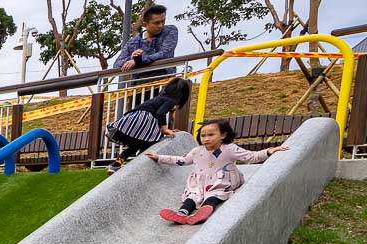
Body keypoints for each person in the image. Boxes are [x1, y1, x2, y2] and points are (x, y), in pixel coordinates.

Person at [147, 118, 289, 225]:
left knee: (214, 194)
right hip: (200, 181)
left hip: (221, 180)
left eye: (211, 135)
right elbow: (181, 160)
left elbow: (251, 156)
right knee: (193, 195)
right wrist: (159, 157)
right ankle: (182, 214)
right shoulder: (197, 151)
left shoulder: (229, 149)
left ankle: (205, 209)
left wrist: (270, 151)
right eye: (203, 135)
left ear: (222, 135)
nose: (206, 138)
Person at [104, 77, 192, 174]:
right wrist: (165, 129)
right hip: (144, 120)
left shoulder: (159, 98)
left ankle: (115, 165)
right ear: (182, 95)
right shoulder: (170, 101)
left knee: (136, 145)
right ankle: (140, 165)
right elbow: (160, 113)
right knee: (149, 144)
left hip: (133, 119)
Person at [112, 4, 179, 79]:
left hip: (165, 82)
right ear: (144, 24)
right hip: (140, 86)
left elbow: (165, 53)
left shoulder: (170, 31)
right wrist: (131, 58)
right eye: (156, 23)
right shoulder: (133, 42)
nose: (161, 25)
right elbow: (117, 64)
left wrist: (138, 61)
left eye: (163, 21)